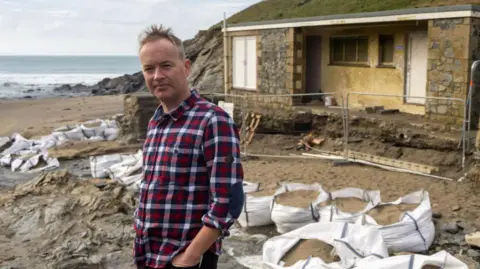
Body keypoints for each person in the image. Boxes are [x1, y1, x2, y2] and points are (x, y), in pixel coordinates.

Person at [133, 24, 245, 269]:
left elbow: (229, 200)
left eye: (166, 65)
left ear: (186, 67)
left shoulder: (213, 120)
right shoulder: (156, 121)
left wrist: (190, 257)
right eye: (149, 69)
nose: (157, 75)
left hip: (186, 260)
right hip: (150, 254)